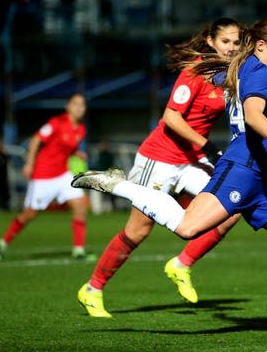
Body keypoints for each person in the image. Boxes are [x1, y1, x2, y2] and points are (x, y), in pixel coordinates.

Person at [72, 18, 267, 335]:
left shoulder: (238, 70)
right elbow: (252, 115)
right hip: (229, 167)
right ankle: (120, 187)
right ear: (261, 46)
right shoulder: (254, 72)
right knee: (183, 227)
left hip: (253, 178)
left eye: (235, 42)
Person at [74, 18, 243, 318]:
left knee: (232, 208)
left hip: (191, 160)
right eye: (225, 42)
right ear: (210, 41)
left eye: (236, 42)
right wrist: (207, 147)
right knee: (138, 232)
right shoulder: (194, 72)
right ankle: (92, 289)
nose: (231, 48)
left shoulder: (230, 74)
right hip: (160, 158)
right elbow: (171, 118)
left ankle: (181, 264)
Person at [0, 93, 89, 261]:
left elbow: (65, 147)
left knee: (80, 205)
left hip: (63, 174)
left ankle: (79, 250)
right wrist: (29, 164)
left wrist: (76, 153)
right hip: (43, 176)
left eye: (82, 105)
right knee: (29, 214)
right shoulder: (56, 123)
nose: (79, 108)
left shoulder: (81, 129)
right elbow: (36, 140)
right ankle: (2, 243)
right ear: (68, 107)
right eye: (75, 104)